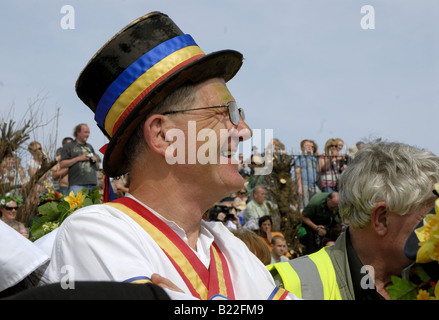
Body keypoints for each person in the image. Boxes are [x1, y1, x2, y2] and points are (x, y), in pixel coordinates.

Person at [46, 12, 295, 300]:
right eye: (226, 112)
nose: (245, 131)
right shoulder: (94, 233)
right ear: (164, 136)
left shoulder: (232, 247)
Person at [267, 140, 439, 300]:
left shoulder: (430, 280)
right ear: (382, 219)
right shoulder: (281, 287)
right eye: (430, 219)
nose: (437, 228)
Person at [60, 124, 99, 194]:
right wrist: (79, 158)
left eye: (88, 132)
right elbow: (62, 164)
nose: (87, 135)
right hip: (77, 185)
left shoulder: (90, 146)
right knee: (77, 205)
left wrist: (95, 160)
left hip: (92, 184)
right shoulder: (69, 146)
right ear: (78, 132)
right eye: (85, 132)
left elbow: (97, 168)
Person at [295, 139, 321, 211]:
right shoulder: (300, 158)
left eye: (311, 146)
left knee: (317, 199)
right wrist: (299, 186)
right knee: (304, 205)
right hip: (304, 183)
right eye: (306, 145)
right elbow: (297, 172)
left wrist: (319, 157)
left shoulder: (314, 158)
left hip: (313, 184)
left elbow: (318, 170)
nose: (309, 147)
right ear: (302, 148)